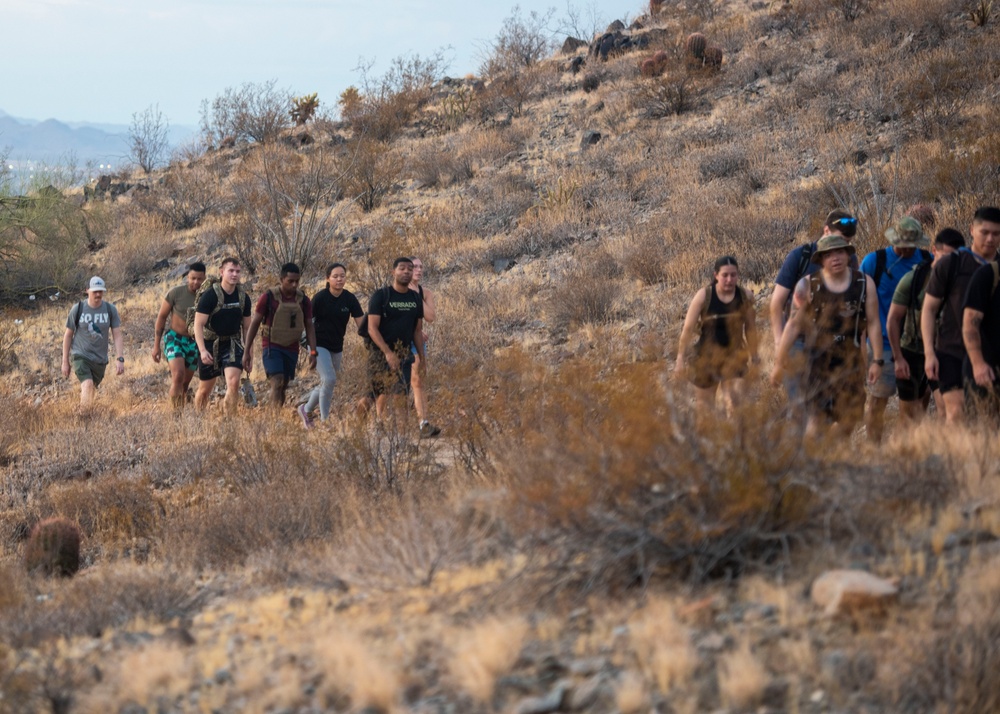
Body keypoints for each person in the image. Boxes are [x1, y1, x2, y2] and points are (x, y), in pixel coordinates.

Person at [771, 235, 883, 438]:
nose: (835, 258)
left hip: (851, 362)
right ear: (821, 260)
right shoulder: (808, 286)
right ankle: (813, 464)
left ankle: (834, 457)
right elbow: (793, 326)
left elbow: (873, 323)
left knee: (849, 420)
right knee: (817, 420)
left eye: (840, 252)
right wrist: (779, 361)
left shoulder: (864, 283)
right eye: (829, 255)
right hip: (817, 361)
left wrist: (876, 360)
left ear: (848, 255)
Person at [769, 210, 860, 412]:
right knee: (802, 405)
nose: (843, 247)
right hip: (798, 341)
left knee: (830, 409)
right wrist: (778, 343)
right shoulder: (800, 257)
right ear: (826, 230)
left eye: (848, 242)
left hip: (831, 343)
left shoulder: (851, 261)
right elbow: (776, 303)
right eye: (840, 239)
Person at [921, 207, 1000, 424]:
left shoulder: (997, 269)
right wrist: (929, 353)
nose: (990, 238)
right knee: (956, 413)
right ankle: (951, 458)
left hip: (990, 354)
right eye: (985, 232)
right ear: (971, 230)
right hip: (951, 351)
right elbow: (929, 309)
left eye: (996, 233)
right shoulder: (952, 264)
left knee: (989, 420)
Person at [858, 216, 933, 441]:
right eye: (903, 244)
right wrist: (861, 345)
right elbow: (860, 302)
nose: (908, 250)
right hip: (883, 344)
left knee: (921, 397)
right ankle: (874, 447)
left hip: (916, 343)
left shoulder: (926, 260)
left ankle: (904, 445)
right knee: (878, 399)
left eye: (912, 245)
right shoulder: (874, 262)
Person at [887, 228, 964, 423]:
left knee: (947, 409)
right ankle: (908, 451)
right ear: (933, 251)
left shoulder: (965, 281)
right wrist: (898, 358)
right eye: (944, 256)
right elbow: (893, 320)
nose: (948, 263)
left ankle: (942, 449)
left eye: (954, 258)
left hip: (943, 351)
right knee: (908, 416)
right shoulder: (914, 279)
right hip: (912, 350)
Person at [675, 256, 758, 416]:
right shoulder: (703, 296)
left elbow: (750, 329)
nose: (729, 279)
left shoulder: (745, 297)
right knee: (705, 411)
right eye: (725, 275)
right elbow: (687, 330)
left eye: (733, 275)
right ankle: (706, 440)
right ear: (716, 275)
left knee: (735, 405)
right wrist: (680, 359)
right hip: (706, 358)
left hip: (734, 357)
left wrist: (755, 357)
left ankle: (733, 440)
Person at [243, 262, 317, 410]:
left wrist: (313, 351)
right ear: (282, 279)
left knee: (284, 385)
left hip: (292, 347)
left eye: (297, 281)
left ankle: (275, 413)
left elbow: (309, 326)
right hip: (271, 346)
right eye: (290, 281)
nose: (294, 285)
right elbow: (255, 323)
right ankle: (273, 420)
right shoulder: (268, 297)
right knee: (277, 381)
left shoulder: (304, 300)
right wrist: (247, 352)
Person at [298, 263, 363, 427]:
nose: (339, 279)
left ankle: (306, 409)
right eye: (335, 276)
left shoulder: (350, 298)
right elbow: (307, 322)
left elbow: (362, 324)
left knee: (328, 382)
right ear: (327, 278)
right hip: (318, 343)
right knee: (329, 378)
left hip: (336, 345)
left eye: (342, 276)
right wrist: (309, 347)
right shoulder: (320, 298)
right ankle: (325, 421)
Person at [365, 257, 427, 428]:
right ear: (393, 272)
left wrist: (421, 357)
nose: (406, 272)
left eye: (409, 268)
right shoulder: (381, 295)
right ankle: (355, 431)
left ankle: (403, 438)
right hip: (379, 353)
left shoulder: (415, 299)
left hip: (404, 353)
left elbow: (417, 330)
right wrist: (387, 352)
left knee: (401, 395)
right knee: (369, 397)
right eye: (402, 268)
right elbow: (372, 328)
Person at [193, 257, 252, 415]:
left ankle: (228, 421)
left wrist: (249, 353)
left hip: (232, 344)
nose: (234, 274)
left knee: (233, 383)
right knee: (205, 389)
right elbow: (198, 324)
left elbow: (247, 328)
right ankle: (198, 418)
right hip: (210, 344)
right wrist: (203, 350)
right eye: (231, 271)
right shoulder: (210, 296)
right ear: (222, 272)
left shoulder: (243, 298)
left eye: (238, 271)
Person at [61, 276, 124, 408]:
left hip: (100, 360)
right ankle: (84, 419)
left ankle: (85, 417)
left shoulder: (109, 309)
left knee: (90, 390)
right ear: (87, 290)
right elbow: (68, 335)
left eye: (100, 291)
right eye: (95, 291)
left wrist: (120, 358)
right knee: (88, 384)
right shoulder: (78, 309)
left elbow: (117, 335)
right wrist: (65, 361)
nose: (98, 294)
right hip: (80, 355)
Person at [152, 262, 207, 410]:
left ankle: (180, 414)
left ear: (205, 278)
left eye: (199, 279)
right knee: (178, 375)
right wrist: (156, 346)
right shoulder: (175, 293)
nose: (196, 282)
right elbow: (161, 317)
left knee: (184, 384)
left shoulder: (207, 298)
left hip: (194, 342)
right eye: (193, 278)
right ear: (187, 277)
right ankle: (175, 417)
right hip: (174, 338)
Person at [405, 256, 441, 437]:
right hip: (396, 340)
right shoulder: (395, 290)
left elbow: (430, 317)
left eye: (420, 266)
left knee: (418, 382)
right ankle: (382, 423)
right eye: (414, 267)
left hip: (416, 342)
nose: (418, 270)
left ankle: (423, 423)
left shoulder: (425, 293)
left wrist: (416, 296)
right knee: (392, 385)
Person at [962, 251, 1000, 420]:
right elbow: (970, 324)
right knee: (984, 429)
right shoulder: (988, 275)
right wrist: (978, 364)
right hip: (987, 368)